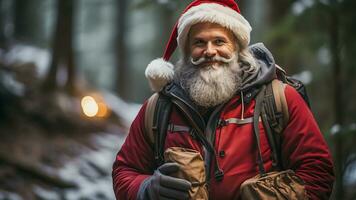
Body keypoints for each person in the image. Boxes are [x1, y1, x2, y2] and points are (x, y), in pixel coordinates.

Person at [112, 0, 335, 199]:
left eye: (219, 41)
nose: (209, 51)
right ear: (187, 50)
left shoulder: (280, 98)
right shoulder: (159, 106)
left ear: (237, 47)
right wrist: (146, 189)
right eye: (199, 43)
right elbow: (125, 170)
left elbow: (318, 172)